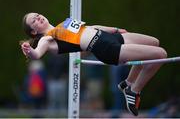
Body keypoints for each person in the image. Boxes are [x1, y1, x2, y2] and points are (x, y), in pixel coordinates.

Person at [20, 12, 167, 116]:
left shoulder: (64, 24)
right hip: (106, 48)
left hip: (111, 37)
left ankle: (127, 83)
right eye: (34, 20)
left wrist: (114, 29)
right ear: (33, 32)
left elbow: (91, 28)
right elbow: (37, 54)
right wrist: (29, 51)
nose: (38, 17)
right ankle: (133, 91)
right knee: (161, 54)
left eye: (37, 15)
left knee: (154, 42)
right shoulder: (48, 39)